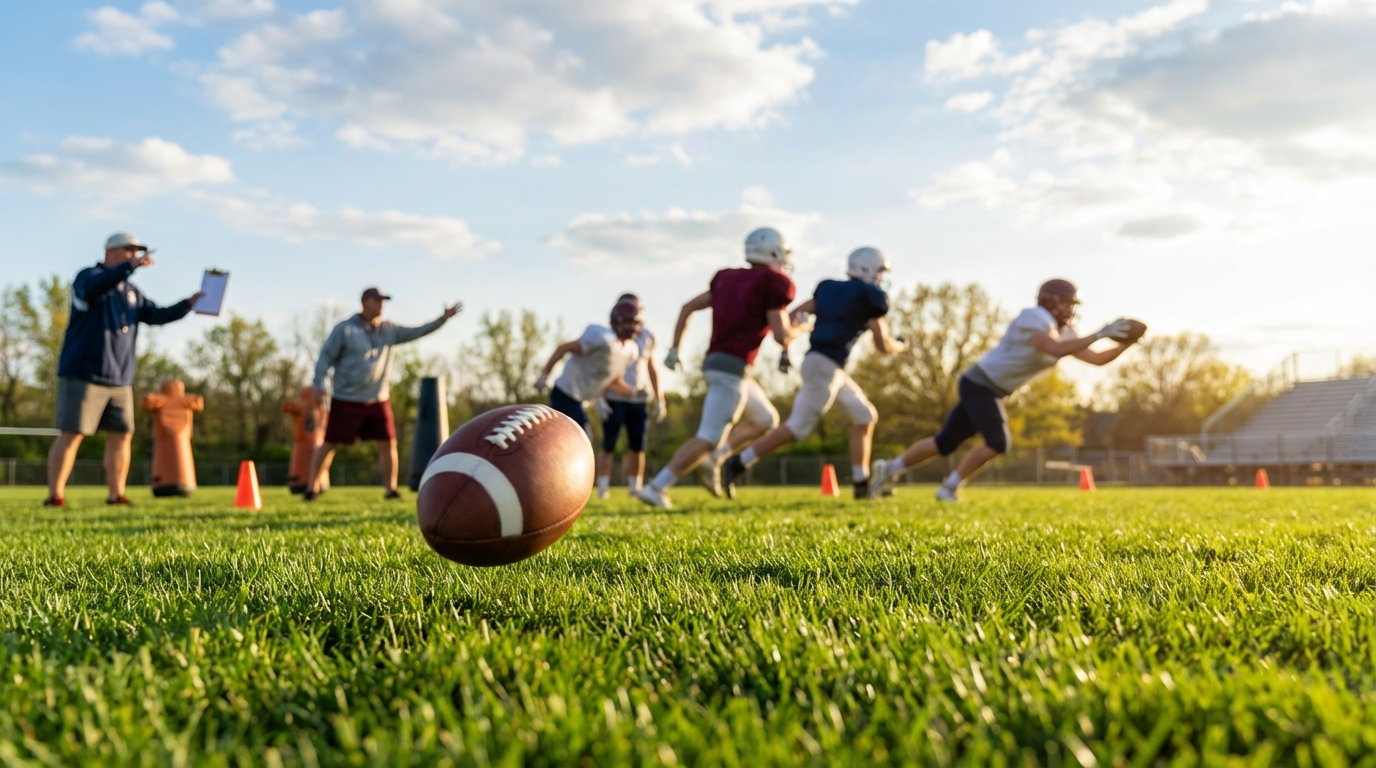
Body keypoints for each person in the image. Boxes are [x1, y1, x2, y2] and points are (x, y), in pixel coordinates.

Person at [868, 279, 1138, 501]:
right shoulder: (1035, 317)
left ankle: (888, 469)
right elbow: (1053, 349)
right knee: (998, 441)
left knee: (945, 442)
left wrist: (1129, 342)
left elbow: (1097, 359)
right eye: (1067, 303)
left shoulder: (1065, 332)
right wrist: (1099, 334)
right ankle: (948, 488)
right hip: (981, 382)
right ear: (1051, 301)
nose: (1070, 310)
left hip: (990, 388)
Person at [635, 227, 808, 509]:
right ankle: (656, 487)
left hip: (719, 363)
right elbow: (782, 335)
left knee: (765, 419)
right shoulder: (772, 281)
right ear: (774, 252)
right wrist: (801, 328)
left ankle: (716, 459)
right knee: (709, 437)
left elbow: (687, 307)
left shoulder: (727, 278)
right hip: (732, 369)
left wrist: (675, 348)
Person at [720, 247, 906, 500]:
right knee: (797, 428)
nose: (881, 277)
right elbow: (883, 344)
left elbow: (793, 315)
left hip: (823, 364)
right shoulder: (868, 297)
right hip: (825, 367)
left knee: (865, 416)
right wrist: (901, 345)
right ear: (868, 268)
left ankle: (861, 483)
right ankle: (739, 461)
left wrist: (788, 345)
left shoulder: (829, 289)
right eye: (880, 271)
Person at [45, 232, 203, 507]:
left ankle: (116, 494)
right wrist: (130, 267)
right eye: (128, 250)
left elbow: (157, 315)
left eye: (136, 252)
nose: (134, 255)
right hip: (84, 373)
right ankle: (55, 495)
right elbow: (95, 287)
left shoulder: (132, 292)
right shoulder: (88, 277)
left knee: (121, 436)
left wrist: (187, 304)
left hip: (120, 380)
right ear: (111, 251)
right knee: (72, 433)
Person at [306, 288, 461, 501]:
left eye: (383, 301)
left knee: (388, 443)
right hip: (346, 398)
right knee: (330, 443)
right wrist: (318, 384)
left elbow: (418, 331)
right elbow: (325, 357)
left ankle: (391, 489)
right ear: (364, 302)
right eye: (377, 300)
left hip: (378, 399)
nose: (381, 305)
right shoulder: (345, 329)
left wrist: (442, 319)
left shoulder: (389, 330)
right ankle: (311, 488)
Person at [535, 297, 642, 460]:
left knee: (569, 440)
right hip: (565, 392)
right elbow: (563, 348)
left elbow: (613, 381)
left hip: (581, 399)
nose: (631, 326)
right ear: (617, 321)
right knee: (581, 438)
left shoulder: (631, 351)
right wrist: (544, 374)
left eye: (634, 322)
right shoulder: (601, 337)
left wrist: (634, 393)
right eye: (627, 321)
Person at [596, 294, 666, 498]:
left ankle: (635, 487)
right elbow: (602, 368)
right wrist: (599, 395)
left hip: (638, 400)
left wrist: (660, 398)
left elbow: (651, 366)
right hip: (614, 397)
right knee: (609, 444)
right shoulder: (610, 336)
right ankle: (602, 487)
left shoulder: (648, 336)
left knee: (638, 445)